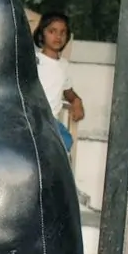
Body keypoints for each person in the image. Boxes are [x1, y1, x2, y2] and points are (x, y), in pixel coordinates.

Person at [33, 12, 85, 152]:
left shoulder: (64, 65)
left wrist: (76, 100)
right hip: (32, 117)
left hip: (51, 121)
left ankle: (48, 169)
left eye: (63, 32)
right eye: (52, 31)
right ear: (41, 34)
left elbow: (68, 91)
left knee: (66, 141)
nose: (58, 36)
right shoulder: (34, 61)